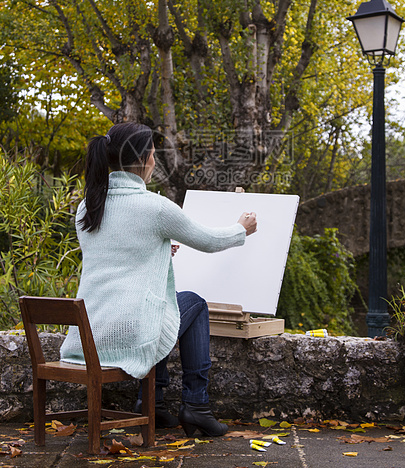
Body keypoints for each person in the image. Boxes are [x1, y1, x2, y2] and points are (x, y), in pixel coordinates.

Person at [60, 122, 257, 437]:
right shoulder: (155, 208)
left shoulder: (89, 206)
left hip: (90, 334)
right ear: (145, 159)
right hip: (131, 332)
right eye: (153, 153)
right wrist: (240, 229)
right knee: (192, 303)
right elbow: (209, 240)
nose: (155, 160)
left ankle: (153, 402)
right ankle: (196, 405)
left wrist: (160, 248)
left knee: (159, 308)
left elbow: (117, 259)